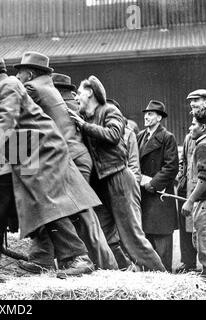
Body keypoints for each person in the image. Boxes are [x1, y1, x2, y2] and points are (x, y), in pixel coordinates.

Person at [0, 54, 101, 277]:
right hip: (26, 152)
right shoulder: (0, 89)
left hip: (43, 150)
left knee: (46, 203)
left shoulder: (9, 86)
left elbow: (5, 120)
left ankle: (78, 258)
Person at [13, 52, 117, 273]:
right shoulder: (48, 87)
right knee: (50, 205)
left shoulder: (31, 88)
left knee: (56, 208)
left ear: (29, 73)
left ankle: (83, 260)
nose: (17, 77)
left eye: (19, 73)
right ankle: (42, 257)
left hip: (61, 158)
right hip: (68, 156)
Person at [68, 75, 166, 272]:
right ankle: (121, 271)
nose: (77, 98)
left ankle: (160, 277)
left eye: (79, 93)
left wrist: (84, 126)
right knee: (101, 236)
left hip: (119, 179)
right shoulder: (86, 117)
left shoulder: (110, 111)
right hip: (101, 184)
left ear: (89, 93)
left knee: (132, 238)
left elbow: (113, 136)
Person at [137, 100, 179, 272]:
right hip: (143, 196)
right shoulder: (140, 136)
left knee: (162, 243)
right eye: (146, 113)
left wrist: (152, 184)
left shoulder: (167, 137)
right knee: (147, 243)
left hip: (159, 196)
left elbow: (171, 167)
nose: (147, 116)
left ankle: (164, 277)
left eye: (151, 114)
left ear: (159, 118)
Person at [176, 89, 206, 273]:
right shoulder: (191, 136)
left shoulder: (204, 137)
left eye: (196, 102)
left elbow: (205, 175)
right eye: (191, 104)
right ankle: (189, 263)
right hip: (192, 189)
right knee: (194, 234)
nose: (192, 106)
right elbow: (185, 161)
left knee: (204, 237)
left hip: (203, 193)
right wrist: (181, 177)